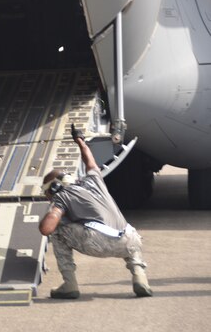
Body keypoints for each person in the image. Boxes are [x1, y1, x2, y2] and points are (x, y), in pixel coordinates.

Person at [39, 124, 153, 299]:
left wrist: (52, 212)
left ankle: (70, 285)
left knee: (58, 232)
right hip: (129, 241)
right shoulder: (93, 180)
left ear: (53, 189)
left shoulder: (61, 197)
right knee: (130, 234)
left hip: (98, 242)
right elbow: (90, 162)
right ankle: (139, 276)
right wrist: (81, 142)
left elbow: (46, 229)